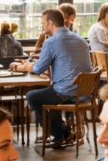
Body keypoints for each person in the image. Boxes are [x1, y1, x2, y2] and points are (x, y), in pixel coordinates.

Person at [12, 8, 95, 147]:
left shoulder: (51, 42)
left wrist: (25, 66)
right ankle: (62, 134)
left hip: (66, 92)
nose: (42, 26)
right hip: (84, 93)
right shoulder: (81, 39)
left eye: (43, 23)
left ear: (50, 23)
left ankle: (61, 133)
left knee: (32, 96)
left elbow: (38, 69)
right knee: (47, 92)